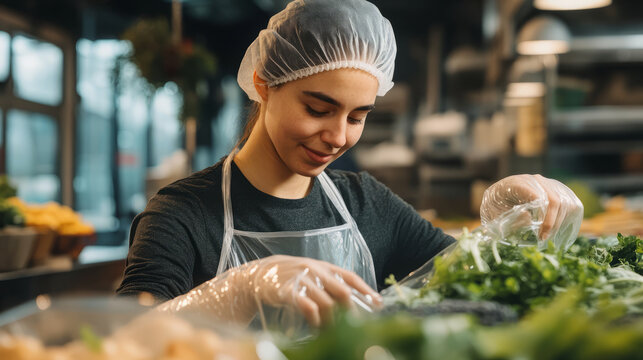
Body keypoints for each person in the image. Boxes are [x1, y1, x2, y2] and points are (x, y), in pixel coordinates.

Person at [117, 0, 583, 328]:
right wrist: (236, 292)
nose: (339, 136)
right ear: (262, 84)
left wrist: (513, 217)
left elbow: (467, 282)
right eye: (318, 109)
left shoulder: (365, 203)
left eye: (358, 116)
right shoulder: (179, 215)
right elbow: (124, 338)